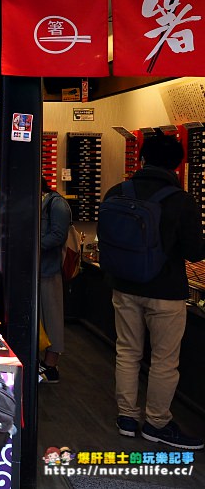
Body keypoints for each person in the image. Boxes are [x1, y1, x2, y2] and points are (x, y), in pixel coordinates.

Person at [104, 134, 205, 449]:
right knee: (164, 360)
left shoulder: (116, 192)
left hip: (123, 286)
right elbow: (194, 252)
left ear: (141, 159)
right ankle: (157, 423)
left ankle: (127, 418)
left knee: (127, 352)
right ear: (177, 164)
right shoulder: (181, 199)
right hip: (166, 292)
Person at [38, 178, 71, 384]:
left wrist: (32, 247)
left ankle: (51, 366)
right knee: (42, 319)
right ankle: (42, 363)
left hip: (49, 270)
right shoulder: (38, 202)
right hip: (36, 270)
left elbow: (58, 235)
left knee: (52, 318)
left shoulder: (57, 203)